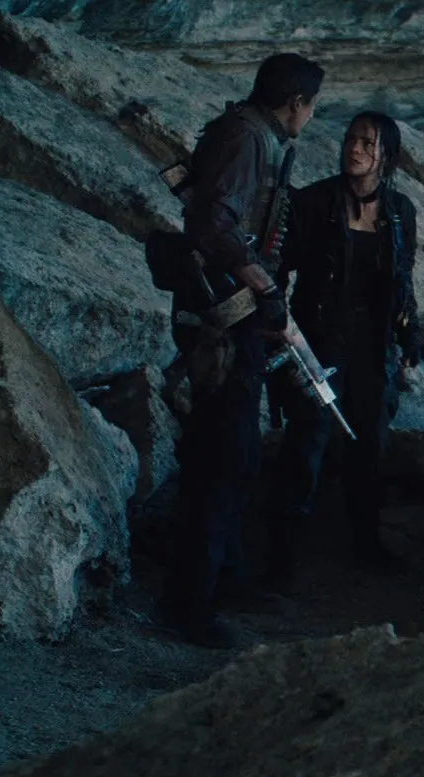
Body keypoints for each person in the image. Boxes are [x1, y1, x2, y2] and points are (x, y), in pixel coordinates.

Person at [154, 53, 324, 649]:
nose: (310, 116)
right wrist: (263, 287)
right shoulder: (247, 139)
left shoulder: (252, 135)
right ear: (296, 103)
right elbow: (213, 226)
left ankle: (222, 576)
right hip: (221, 324)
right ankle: (189, 602)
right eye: (311, 106)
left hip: (236, 320)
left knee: (238, 454)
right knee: (222, 458)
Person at [265, 111, 422, 584]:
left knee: (370, 442)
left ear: (385, 155)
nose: (354, 149)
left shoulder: (400, 211)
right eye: (351, 139)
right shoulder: (315, 202)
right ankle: (280, 558)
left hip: (374, 345)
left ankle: (364, 543)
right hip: (321, 340)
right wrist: (280, 324)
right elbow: (278, 266)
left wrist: (410, 334)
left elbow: (403, 280)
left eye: (367, 143)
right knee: (307, 441)